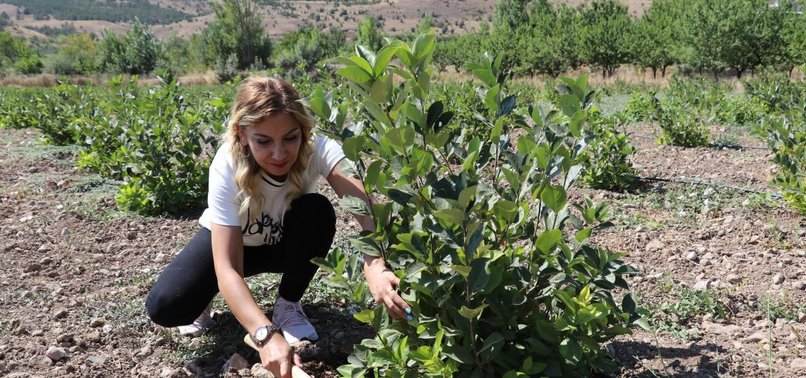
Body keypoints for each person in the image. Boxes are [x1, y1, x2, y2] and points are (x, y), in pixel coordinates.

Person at [145, 77, 411, 378]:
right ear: (241, 135)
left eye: (290, 138)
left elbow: (366, 208)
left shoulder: (318, 148)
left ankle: (287, 305)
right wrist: (265, 335)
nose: (279, 153)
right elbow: (228, 267)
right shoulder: (226, 165)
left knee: (317, 210)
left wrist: (374, 263)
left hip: (281, 244)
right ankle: (209, 295)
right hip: (232, 246)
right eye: (263, 141)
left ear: (303, 132)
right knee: (166, 307)